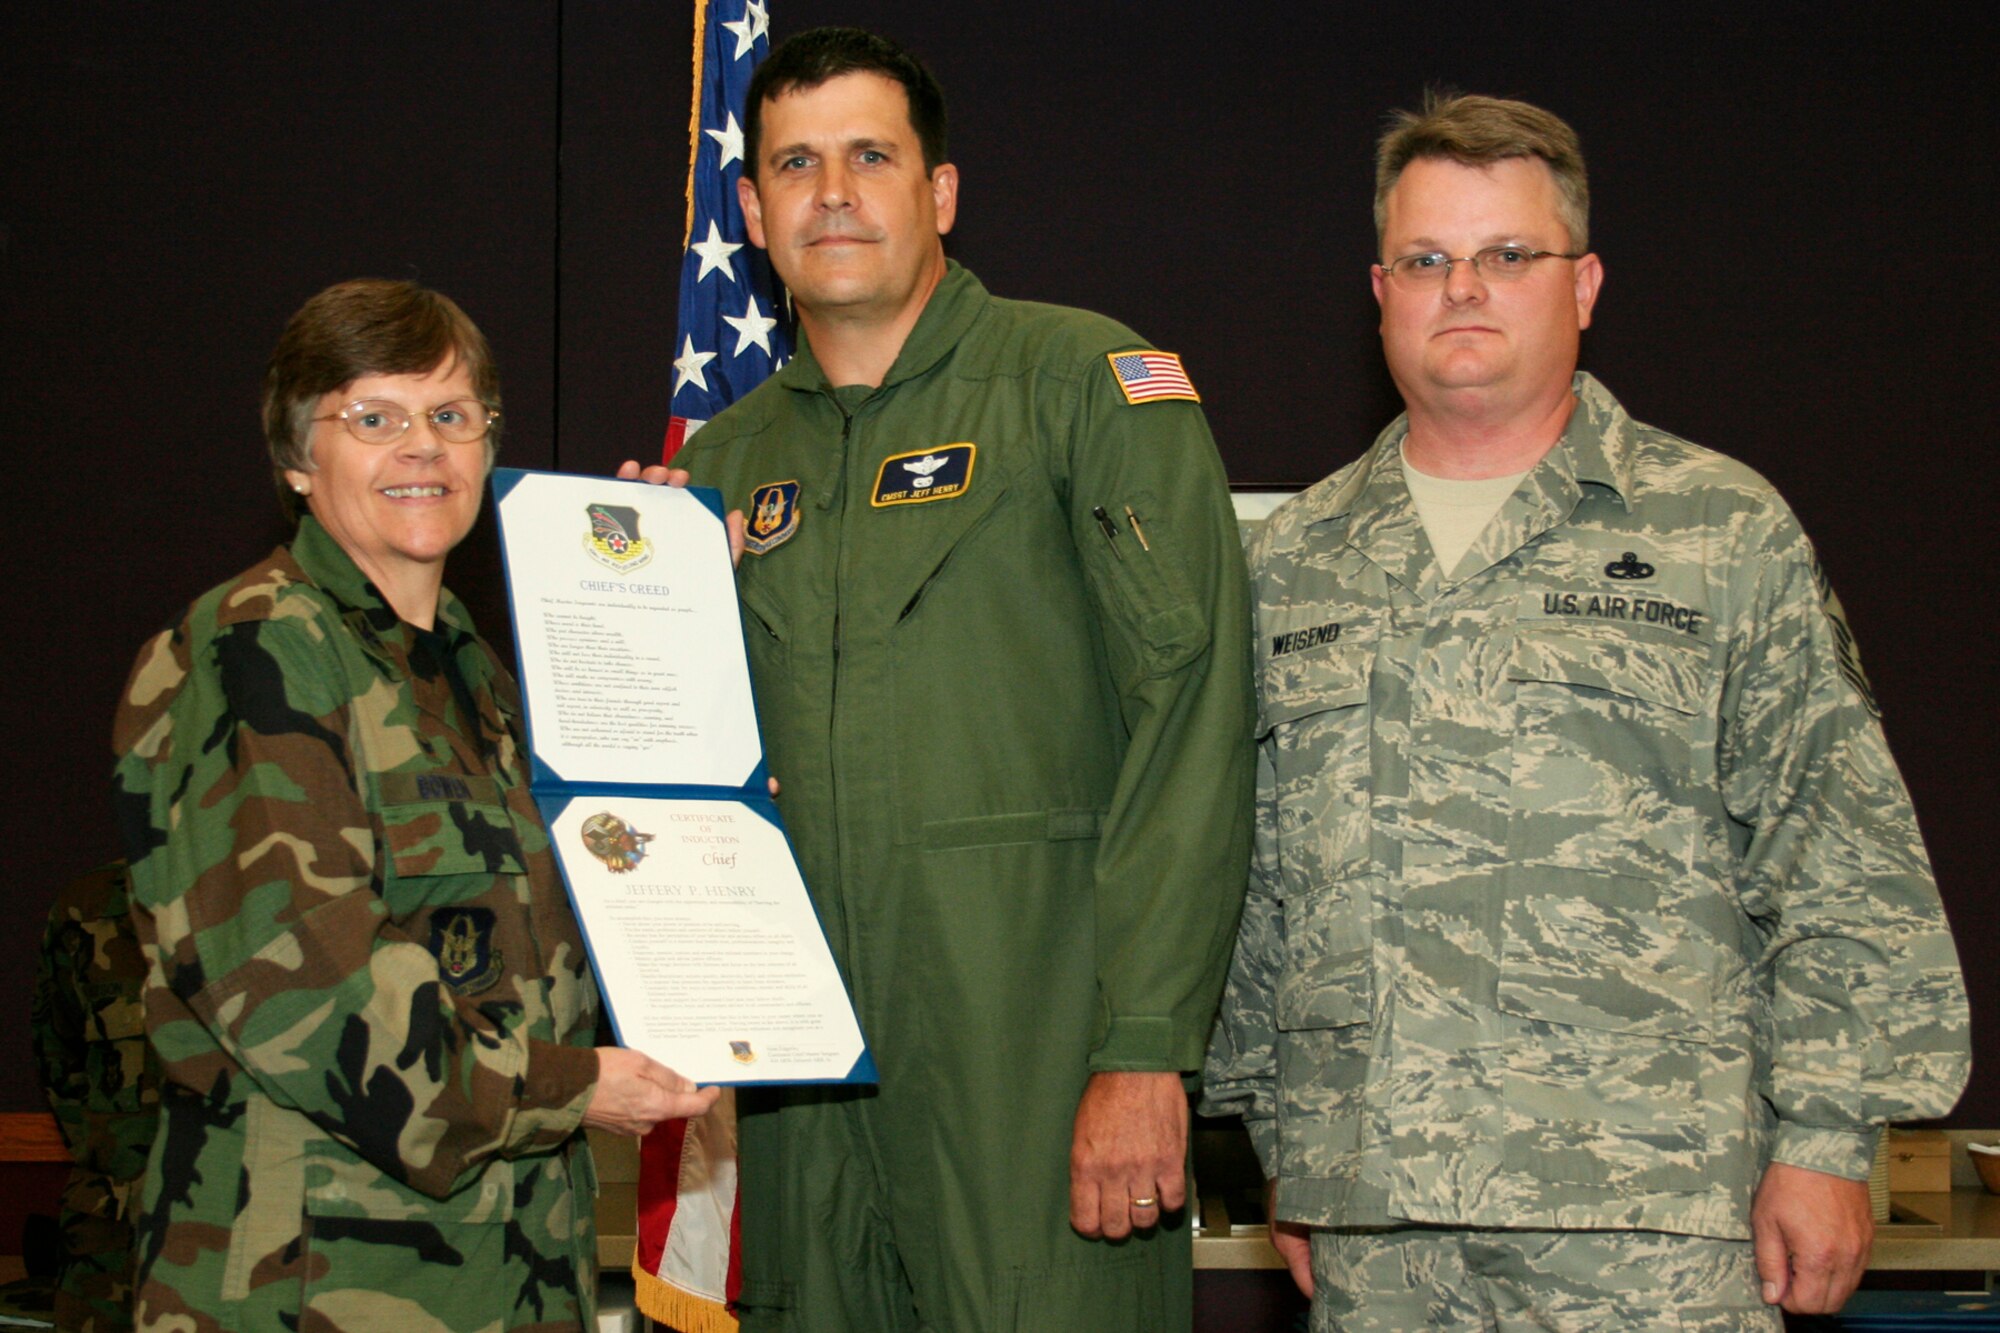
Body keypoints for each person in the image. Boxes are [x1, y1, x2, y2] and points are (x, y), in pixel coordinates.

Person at [1201, 93, 1970, 1330]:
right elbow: (1252, 879)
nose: (1463, 288)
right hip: (1378, 1222)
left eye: (1507, 255)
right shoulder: (1295, 559)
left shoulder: (1713, 529)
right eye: (1426, 260)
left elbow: (1837, 848)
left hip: (1648, 1209)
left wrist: (1827, 1136)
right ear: (1379, 288)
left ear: (1584, 284)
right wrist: (1286, 1139)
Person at [623, 27, 1254, 1333]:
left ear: (940, 192)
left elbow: (1190, 726)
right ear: (751, 210)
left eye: (871, 156)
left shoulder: (1081, 387)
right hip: (801, 1101)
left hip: (1029, 1069)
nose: (833, 193)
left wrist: (1145, 1047)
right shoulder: (722, 468)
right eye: (795, 163)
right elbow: (678, 793)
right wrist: (639, 602)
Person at [111, 279, 720, 1332]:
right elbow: (314, 997)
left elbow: (574, 922)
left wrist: (672, 604)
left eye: (450, 416)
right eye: (374, 419)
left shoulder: (472, 677)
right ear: (300, 460)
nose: (422, 448)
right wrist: (579, 1088)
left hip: (511, 1272)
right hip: (318, 1285)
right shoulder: (254, 650)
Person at [31, 859, 160, 1333]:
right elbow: (58, 1056)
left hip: (257, 1232)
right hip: (112, 1237)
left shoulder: (297, 894)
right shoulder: (89, 906)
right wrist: (112, 1162)